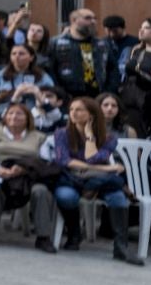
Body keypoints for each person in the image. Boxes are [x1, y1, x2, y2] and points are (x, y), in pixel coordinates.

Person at [52, 94, 134, 260]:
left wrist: (90, 136)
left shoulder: (109, 138)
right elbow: (64, 161)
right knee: (65, 196)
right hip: (71, 179)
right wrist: (105, 167)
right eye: (71, 109)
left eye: (79, 110)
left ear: (91, 114)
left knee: (118, 198)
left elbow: (91, 157)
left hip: (97, 180)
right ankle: (74, 234)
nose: (73, 113)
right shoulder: (62, 133)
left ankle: (121, 247)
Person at [0, 102, 59, 250]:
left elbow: (45, 160)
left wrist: (24, 168)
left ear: (28, 118)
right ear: (5, 117)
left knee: (40, 191)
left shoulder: (39, 137)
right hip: (1, 172)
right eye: (10, 113)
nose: (14, 116)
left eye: (19, 114)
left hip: (29, 175)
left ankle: (43, 237)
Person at [51, 9, 108, 99]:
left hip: (95, 94)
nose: (93, 21)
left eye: (95, 18)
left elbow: (112, 68)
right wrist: (58, 91)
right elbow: (50, 69)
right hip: (67, 95)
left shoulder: (101, 44)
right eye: (88, 18)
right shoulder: (56, 43)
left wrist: (109, 91)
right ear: (74, 20)